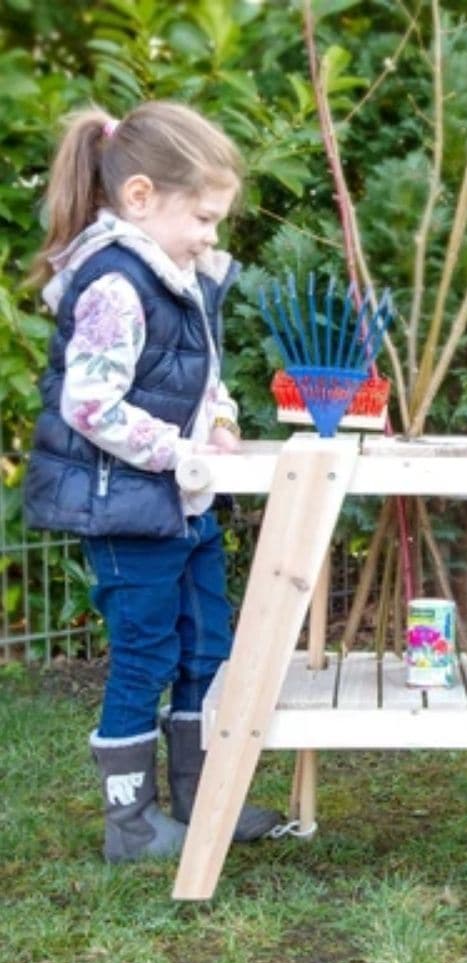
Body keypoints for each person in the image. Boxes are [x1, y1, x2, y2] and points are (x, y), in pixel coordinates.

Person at [24, 101, 281, 862]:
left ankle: (204, 799)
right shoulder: (114, 285)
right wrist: (180, 454)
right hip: (128, 510)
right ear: (140, 197)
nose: (211, 236)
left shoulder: (179, 277)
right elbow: (91, 404)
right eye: (203, 218)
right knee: (146, 652)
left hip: (185, 501)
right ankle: (130, 825)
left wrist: (225, 420)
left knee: (208, 645)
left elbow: (201, 376)